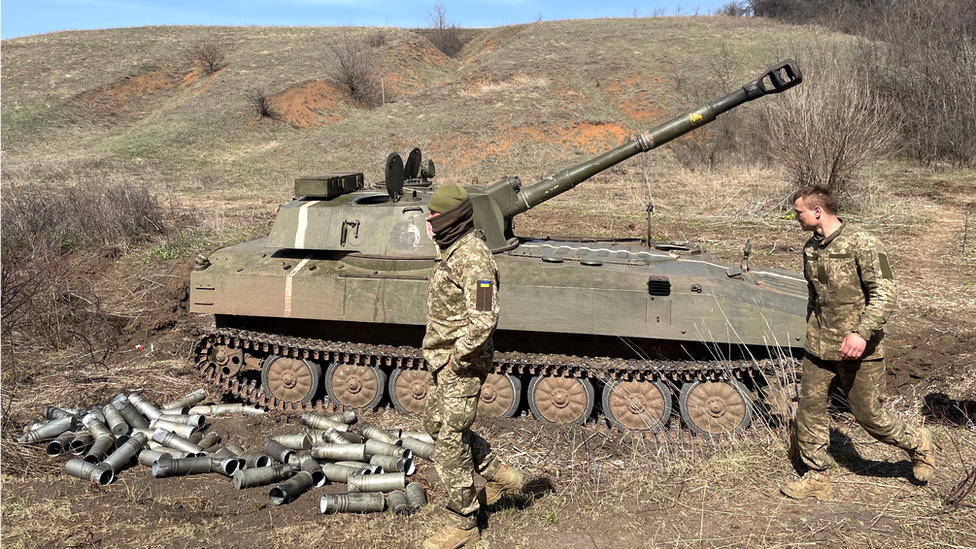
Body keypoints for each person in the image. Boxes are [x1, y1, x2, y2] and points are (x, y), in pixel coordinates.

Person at [781, 185, 935, 501]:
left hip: (860, 350)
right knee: (809, 411)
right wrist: (812, 330)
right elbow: (815, 297)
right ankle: (816, 477)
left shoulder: (864, 244)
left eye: (799, 212)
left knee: (871, 417)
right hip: (819, 347)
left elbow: (885, 294)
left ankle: (917, 442)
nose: (795, 217)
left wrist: (861, 333)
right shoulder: (811, 248)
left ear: (817, 211)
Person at [420, 184, 524, 549]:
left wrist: (456, 359)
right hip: (443, 360)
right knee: (435, 424)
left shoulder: (475, 259)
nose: (428, 223)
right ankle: (499, 474)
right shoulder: (452, 249)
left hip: (461, 365)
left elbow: (483, 319)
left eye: (432, 217)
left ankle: (463, 523)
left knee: (450, 441)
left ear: (448, 219)